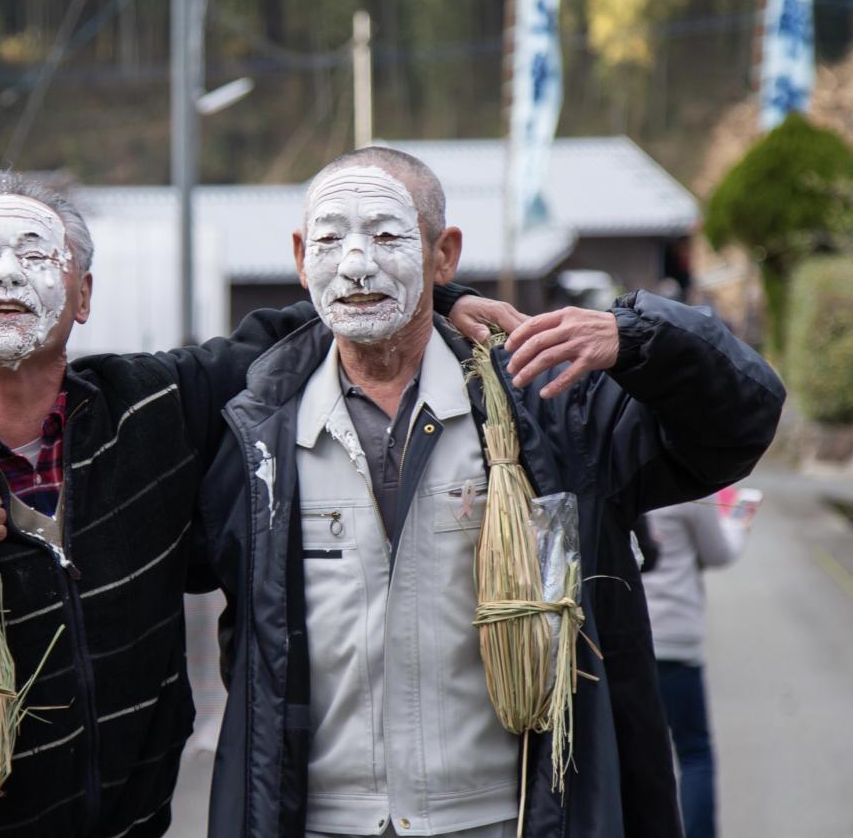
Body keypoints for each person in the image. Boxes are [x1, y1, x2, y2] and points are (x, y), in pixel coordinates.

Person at [0, 172, 515, 838]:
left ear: (84, 295)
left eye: (37, 255)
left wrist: (443, 300)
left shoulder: (153, 411)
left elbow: (309, 326)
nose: (7, 275)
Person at [191, 146, 785, 838]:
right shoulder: (252, 430)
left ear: (443, 255)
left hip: (506, 818)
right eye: (328, 239)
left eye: (387, 237)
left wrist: (641, 337)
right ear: (299, 257)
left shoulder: (549, 407)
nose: (355, 263)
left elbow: (740, 420)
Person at [642, 494, 754, 838]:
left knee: (638, 753)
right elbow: (717, 552)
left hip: (632, 633)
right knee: (693, 753)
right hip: (677, 636)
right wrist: (738, 523)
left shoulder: (619, 464)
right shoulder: (688, 485)